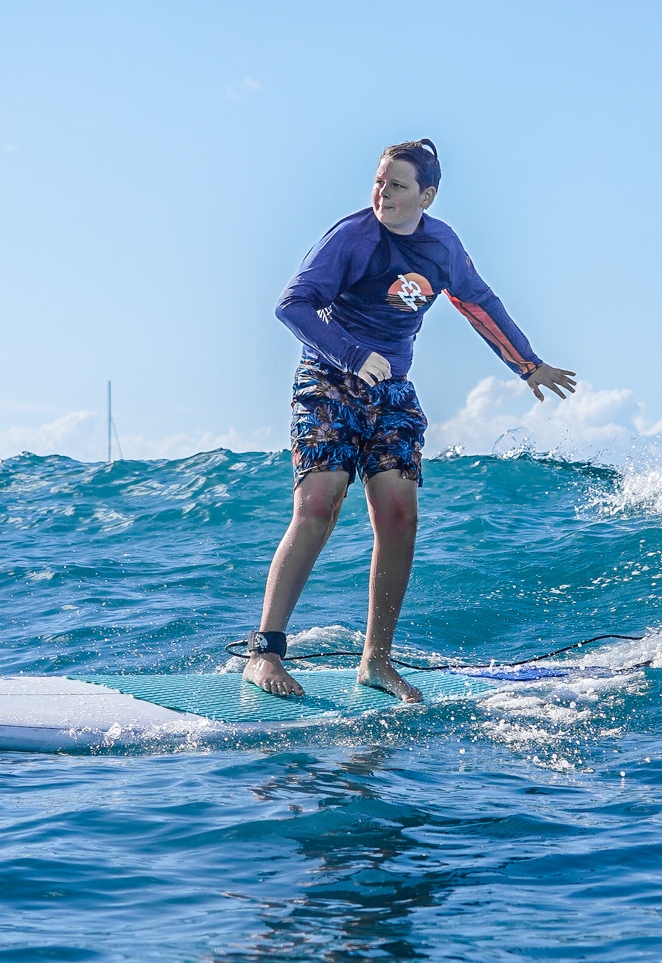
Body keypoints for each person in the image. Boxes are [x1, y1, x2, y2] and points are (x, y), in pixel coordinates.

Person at [246, 138, 577, 701]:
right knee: (320, 502)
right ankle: (266, 653)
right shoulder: (351, 238)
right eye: (379, 181)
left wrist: (528, 366)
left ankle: (376, 661)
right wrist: (351, 354)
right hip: (328, 379)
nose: (383, 193)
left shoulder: (440, 247)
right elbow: (292, 305)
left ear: (426, 195)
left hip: (392, 388)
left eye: (397, 186)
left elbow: (479, 303)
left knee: (399, 514)